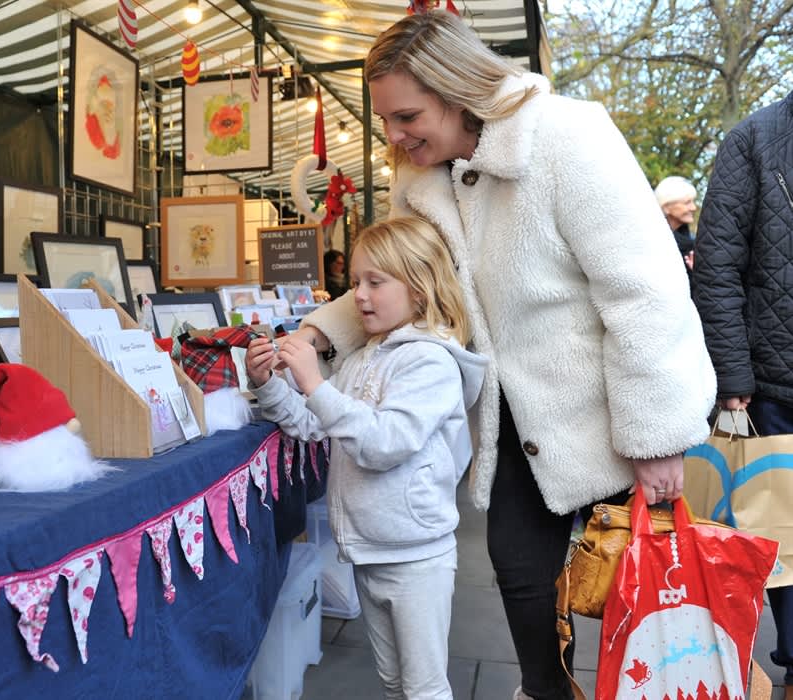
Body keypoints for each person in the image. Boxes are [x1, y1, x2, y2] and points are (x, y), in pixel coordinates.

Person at [276, 10, 716, 699]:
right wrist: (319, 334)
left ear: (458, 91)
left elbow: (645, 292)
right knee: (520, 578)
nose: (392, 136)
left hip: (608, 407)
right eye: (386, 119)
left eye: (407, 116)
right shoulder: (419, 176)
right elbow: (403, 280)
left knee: (643, 593)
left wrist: (656, 434)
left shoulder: (568, 136)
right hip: (510, 418)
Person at [246, 217, 487, 700]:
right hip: (369, 550)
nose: (358, 295)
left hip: (416, 557)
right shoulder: (364, 357)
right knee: (396, 683)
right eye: (356, 281)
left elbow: (384, 443)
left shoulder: (431, 362)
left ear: (420, 289)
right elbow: (313, 424)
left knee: (423, 688)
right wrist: (268, 385)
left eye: (375, 282)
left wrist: (314, 383)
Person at [692, 89, 793, 700]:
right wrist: (733, 379)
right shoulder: (754, 139)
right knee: (782, 543)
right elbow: (718, 268)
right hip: (775, 386)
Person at [654, 175, 698, 276]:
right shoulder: (652, 242)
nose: (694, 207)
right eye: (687, 203)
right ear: (666, 207)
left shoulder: (691, 244)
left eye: (693, 202)